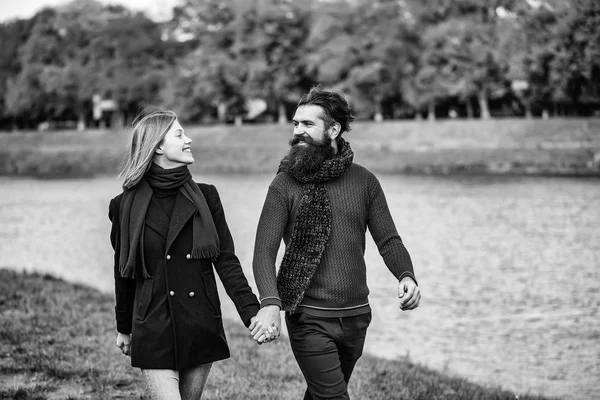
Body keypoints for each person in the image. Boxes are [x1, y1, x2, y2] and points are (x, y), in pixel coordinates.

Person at [251, 86, 421, 399]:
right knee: (333, 396)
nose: (298, 131)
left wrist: (406, 275)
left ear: (333, 130)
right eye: (296, 124)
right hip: (309, 317)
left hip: (357, 316)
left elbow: (388, 239)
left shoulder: (364, 181)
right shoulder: (285, 183)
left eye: (308, 124)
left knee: (322, 394)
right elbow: (264, 252)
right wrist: (270, 303)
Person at [108, 106, 265, 400]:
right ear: (157, 148)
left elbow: (226, 260)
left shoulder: (207, 197)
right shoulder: (123, 206)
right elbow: (124, 273)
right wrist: (124, 327)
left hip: (199, 323)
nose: (189, 139)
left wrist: (251, 311)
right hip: (152, 326)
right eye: (180, 134)